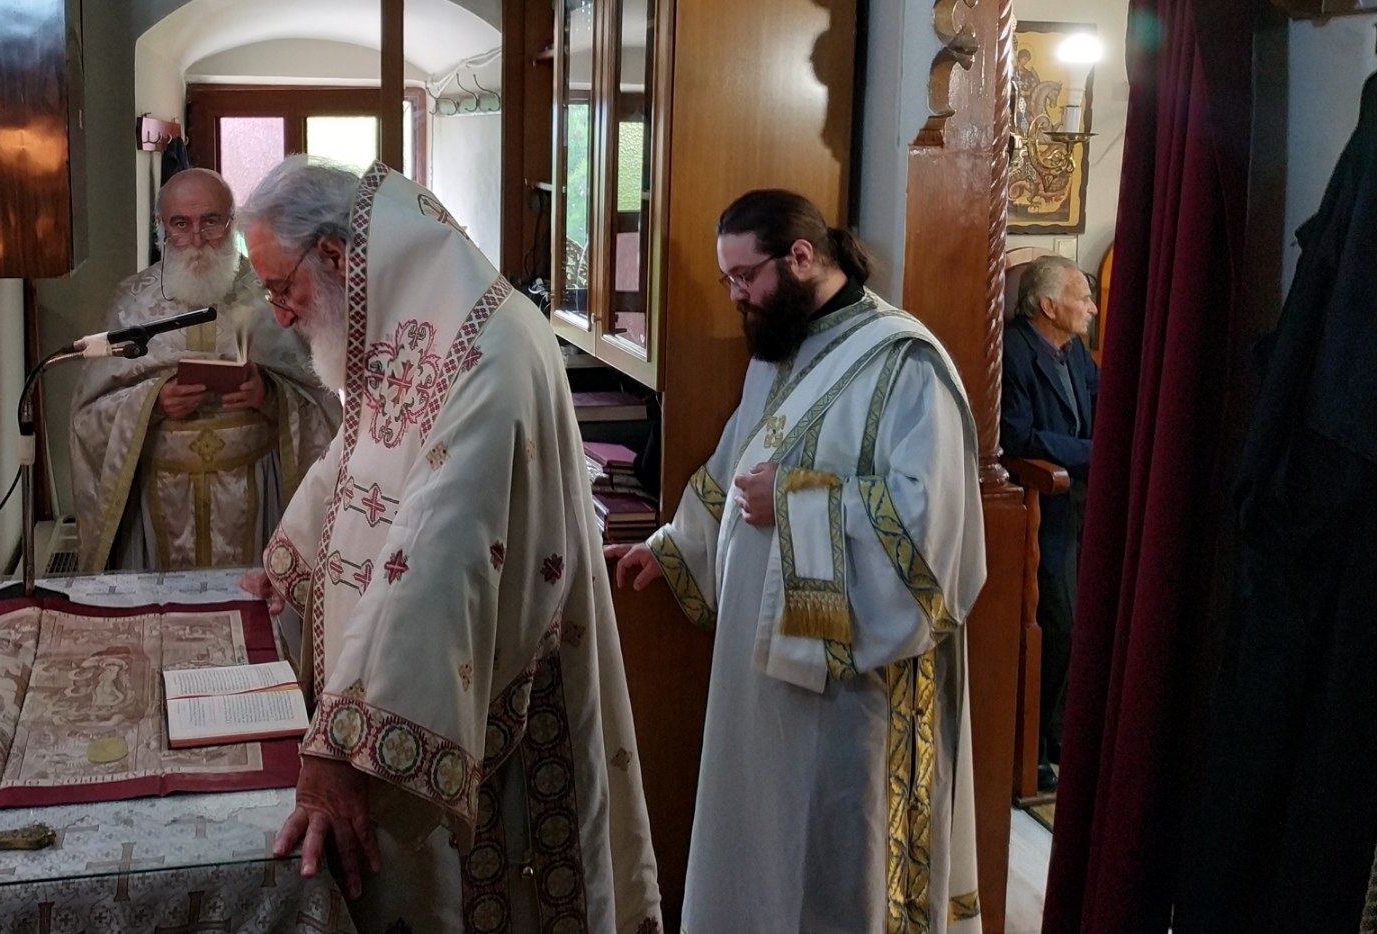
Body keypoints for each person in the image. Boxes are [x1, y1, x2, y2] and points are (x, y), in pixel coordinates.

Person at [237, 156, 661, 933]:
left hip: (493, 698)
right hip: (405, 669)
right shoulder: (416, 326)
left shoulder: (486, 347)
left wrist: (344, 745)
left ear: (334, 255)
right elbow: (360, 452)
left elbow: (439, 547)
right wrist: (291, 563)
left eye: (280, 287)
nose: (282, 315)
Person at [609, 189, 985, 934]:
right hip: (760, 678)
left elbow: (932, 532)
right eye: (728, 279)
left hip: (849, 690)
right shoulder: (781, 349)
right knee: (764, 846)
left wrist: (797, 500)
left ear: (802, 257)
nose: (736, 295)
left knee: (833, 854)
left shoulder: (903, 363)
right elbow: (733, 469)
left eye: (745, 276)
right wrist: (672, 546)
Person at [68, 169, 339, 572]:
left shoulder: (272, 292)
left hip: (254, 490)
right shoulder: (132, 301)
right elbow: (89, 415)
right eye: (181, 224)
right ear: (162, 226)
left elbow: (322, 400)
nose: (196, 239)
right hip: (160, 494)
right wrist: (152, 403)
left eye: (211, 221)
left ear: (232, 221)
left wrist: (269, 395)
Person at [1000, 254, 1098, 790]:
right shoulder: (1013, 352)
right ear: (1048, 306)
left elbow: (1101, 400)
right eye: (1082, 298)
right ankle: (1030, 744)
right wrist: (1095, 454)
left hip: (1080, 502)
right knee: (1058, 623)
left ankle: (1060, 732)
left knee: (1082, 620)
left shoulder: (1075, 349)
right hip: (1038, 507)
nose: (1092, 307)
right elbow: (1018, 438)